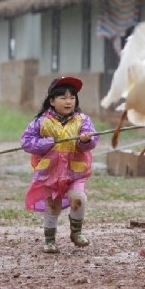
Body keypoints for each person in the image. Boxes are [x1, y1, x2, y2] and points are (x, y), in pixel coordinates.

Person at [21, 76, 99, 253]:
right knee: (53, 205)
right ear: (51, 101)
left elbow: (93, 140)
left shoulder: (82, 120)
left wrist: (85, 141)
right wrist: (47, 142)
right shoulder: (41, 122)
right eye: (63, 97)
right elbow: (26, 142)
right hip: (51, 172)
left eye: (72, 97)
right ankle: (49, 241)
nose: (68, 101)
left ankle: (76, 233)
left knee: (79, 198)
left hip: (75, 172)